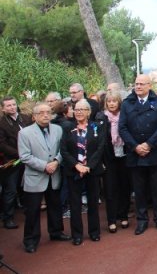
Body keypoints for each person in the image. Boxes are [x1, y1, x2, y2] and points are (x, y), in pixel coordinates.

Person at [119, 74, 157, 235]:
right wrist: (135, 147)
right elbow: (122, 128)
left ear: (149, 86)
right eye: (136, 84)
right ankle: (142, 220)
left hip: (154, 152)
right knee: (139, 190)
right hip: (135, 154)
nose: (138, 86)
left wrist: (149, 144)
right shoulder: (127, 103)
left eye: (142, 84)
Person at [18, 102, 70, 253]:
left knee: (55, 206)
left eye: (48, 112)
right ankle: (31, 240)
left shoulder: (58, 129)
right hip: (35, 176)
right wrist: (44, 166)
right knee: (33, 210)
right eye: (41, 113)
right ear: (34, 116)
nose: (46, 115)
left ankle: (56, 232)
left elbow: (63, 149)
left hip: (54, 174)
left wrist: (56, 162)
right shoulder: (25, 133)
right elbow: (25, 156)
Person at [60, 99, 106, 245]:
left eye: (82, 109)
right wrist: (77, 166)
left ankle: (94, 232)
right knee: (75, 204)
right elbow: (63, 150)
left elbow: (100, 148)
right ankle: (77, 235)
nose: (79, 112)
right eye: (76, 109)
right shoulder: (67, 127)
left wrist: (88, 166)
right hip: (73, 171)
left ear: (88, 112)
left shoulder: (96, 126)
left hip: (92, 170)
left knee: (93, 202)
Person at [97, 91, 131, 233]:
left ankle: (123, 215)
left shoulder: (125, 116)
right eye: (109, 101)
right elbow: (98, 141)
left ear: (119, 102)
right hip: (108, 158)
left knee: (125, 187)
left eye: (114, 101)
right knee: (110, 189)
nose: (111, 104)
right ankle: (111, 220)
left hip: (124, 156)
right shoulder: (101, 117)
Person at [0, 96, 32, 229]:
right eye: (8, 105)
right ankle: (8, 218)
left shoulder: (26, 118)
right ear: (3, 108)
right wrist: (20, 153)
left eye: (13, 104)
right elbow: (2, 144)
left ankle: (29, 212)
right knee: (11, 190)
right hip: (12, 161)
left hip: (29, 159)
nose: (12, 107)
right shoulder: (1, 123)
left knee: (28, 188)